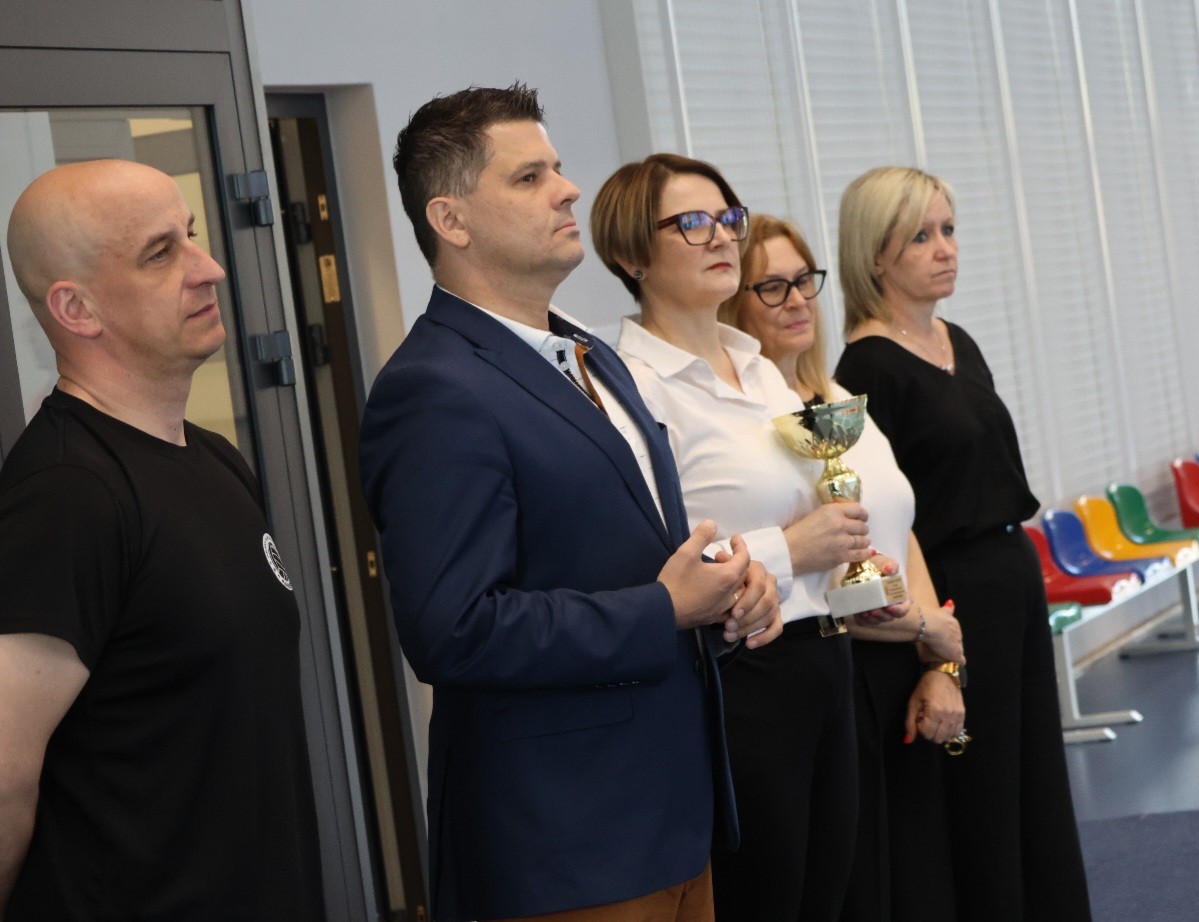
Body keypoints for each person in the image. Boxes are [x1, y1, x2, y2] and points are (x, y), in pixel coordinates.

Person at [359, 85, 781, 922]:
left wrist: (725, 597)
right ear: (450, 220)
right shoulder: (433, 388)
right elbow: (453, 629)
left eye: (556, 168)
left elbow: (619, 554)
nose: (567, 190)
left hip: (673, 812)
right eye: (529, 178)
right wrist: (664, 609)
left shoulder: (588, 352)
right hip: (566, 840)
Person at [591, 155, 963, 922]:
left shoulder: (762, 372)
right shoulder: (628, 385)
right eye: (691, 223)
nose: (719, 235)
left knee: (827, 898)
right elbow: (643, 561)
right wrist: (791, 551)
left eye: (726, 217)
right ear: (631, 255)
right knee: (763, 899)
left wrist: (864, 578)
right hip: (740, 673)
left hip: (828, 658)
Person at [0, 160, 323, 920]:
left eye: (192, 235)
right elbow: (5, 778)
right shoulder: (67, 494)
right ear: (76, 308)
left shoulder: (214, 460)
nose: (208, 269)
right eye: (160, 253)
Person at [834, 166, 1092, 921]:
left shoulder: (956, 340)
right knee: (982, 793)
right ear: (874, 256)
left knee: (1032, 778)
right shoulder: (867, 368)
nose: (944, 249)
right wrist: (935, 653)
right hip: (952, 590)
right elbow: (893, 522)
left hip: (1010, 575)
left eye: (948, 230)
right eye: (920, 236)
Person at [720, 212, 965, 922]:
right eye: (771, 287)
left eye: (804, 280)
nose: (797, 300)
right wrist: (929, 630)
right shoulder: (755, 433)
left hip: (904, 665)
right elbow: (826, 589)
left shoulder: (834, 399)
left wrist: (940, 663)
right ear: (732, 303)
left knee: (920, 883)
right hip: (842, 671)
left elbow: (901, 530)